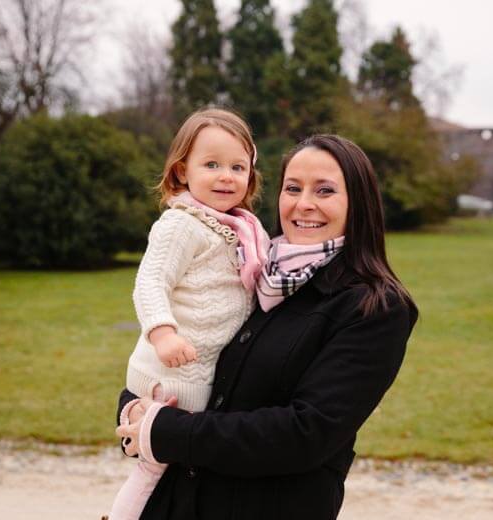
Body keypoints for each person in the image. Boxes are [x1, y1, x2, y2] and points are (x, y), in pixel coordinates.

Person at [116, 134, 418, 520]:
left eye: (324, 190)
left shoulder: (374, 307)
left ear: (358, 203)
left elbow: (306, 433)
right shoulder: (254, 274)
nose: (303, 203)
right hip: (177, 504)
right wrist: (133, 411)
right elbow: (189, 360)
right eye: (293, 188)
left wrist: (166, 432)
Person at [108, 107, 269, 520]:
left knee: (184, 477)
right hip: (171, 374)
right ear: (182, 171)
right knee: (152, 470)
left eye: (238, 166)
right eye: (211, 164)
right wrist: (163, 333)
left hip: (202, 379)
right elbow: (150, 282)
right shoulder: (182, 224)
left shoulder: (243, 229)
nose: (226, 176)